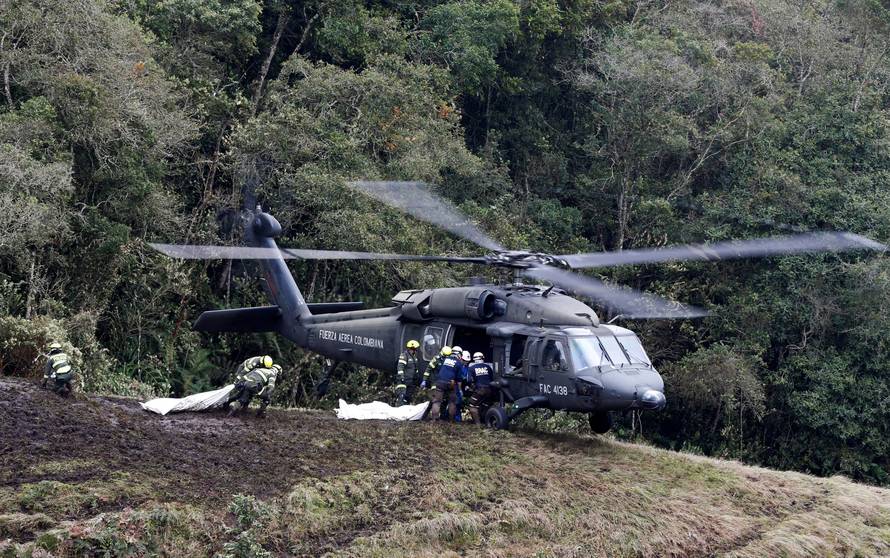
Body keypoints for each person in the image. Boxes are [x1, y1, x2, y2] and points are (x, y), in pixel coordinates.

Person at [428, 350, 462, 421]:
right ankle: (451, 420)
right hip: (450, 383)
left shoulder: (444, 359)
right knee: (452, 402)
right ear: (458, 355)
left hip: (440, 382)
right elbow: (459, 379)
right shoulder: (458, 363)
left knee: (437, 401)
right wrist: (460, 390)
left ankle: (434, 420)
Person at [467, 352, 495, 425]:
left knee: (472, 405)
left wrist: (472, 387)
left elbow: (469, 380)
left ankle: (478, 425)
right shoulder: (488, 367)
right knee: (486, 405)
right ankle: (487, 423)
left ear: (474, 359)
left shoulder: (472, 368)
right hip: (489, 390)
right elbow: (492, 378)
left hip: (480, 390)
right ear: (483, 358)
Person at [395, 339, 421, 406]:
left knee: (408, 397)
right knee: (401, 396)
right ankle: (398, 411)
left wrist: (416, 377)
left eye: (415, 349)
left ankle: (405, 411)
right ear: (410, 348)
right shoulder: (404, 356)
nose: (415, 350)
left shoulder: (414, 358)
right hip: (403, 381)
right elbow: (400, 367)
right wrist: (401, 377)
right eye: (414, 349)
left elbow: (415, 369)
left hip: (410, 381)